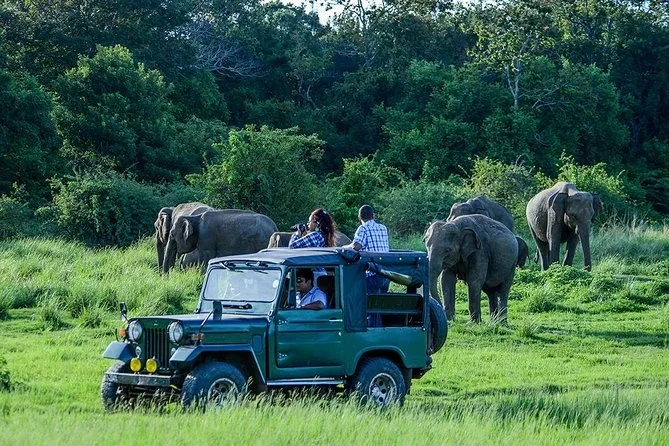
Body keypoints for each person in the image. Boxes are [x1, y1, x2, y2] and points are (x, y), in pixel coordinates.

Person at [346, 204, 390, 294]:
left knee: (367, 300)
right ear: (373, 215)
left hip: (372, 273)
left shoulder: (363, 228)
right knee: (381, 300)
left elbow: (356, 247)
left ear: (359, 217)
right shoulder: (383, 228)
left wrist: (345, 247)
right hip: (385, 273)